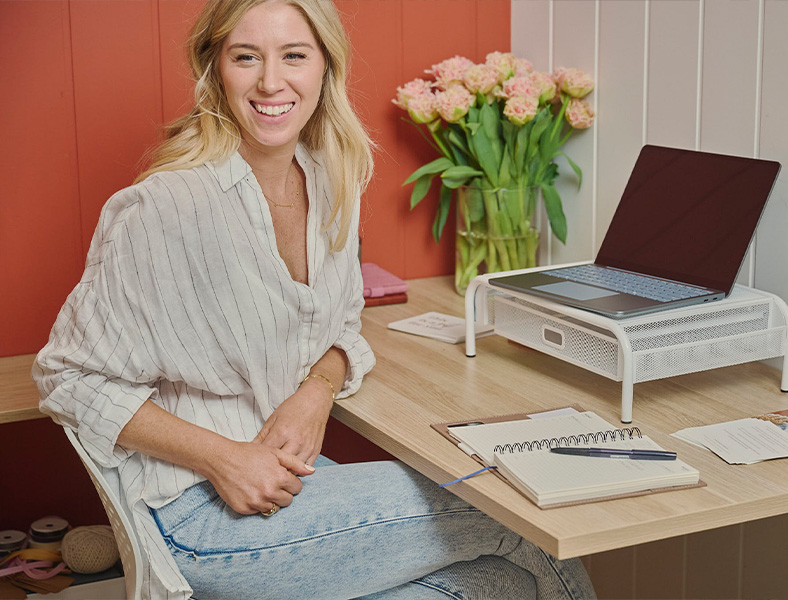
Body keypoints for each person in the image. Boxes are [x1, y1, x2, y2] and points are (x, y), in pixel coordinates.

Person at [32, 1, 597, 598]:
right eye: (246, 57)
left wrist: (316, 391)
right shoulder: (165, 208)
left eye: (293, 56)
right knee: (524, 522)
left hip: (294, 487)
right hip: (197, 511)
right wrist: (224, 457)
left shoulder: (332, 181)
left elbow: (343, 324)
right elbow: (69, 379)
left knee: (502, 585)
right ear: (215, 70)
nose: (271, 81)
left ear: (325, 67)